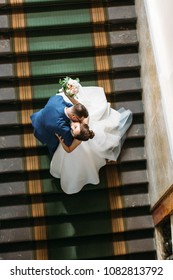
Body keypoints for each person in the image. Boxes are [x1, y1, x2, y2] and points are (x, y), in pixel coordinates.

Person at [50, 85, 133, 194]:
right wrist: (68, 96)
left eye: (73, 129)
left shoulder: (78, 140)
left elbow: (69, 150)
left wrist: (61, 141)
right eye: (74, 126)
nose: (71, 126)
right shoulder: (86, 118)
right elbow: (78, 105)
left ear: (77, 137)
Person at [30, 92, 89, 156]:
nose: (79, 121)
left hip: (38, 116)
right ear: (74, 117)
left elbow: (70, 107)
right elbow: (69, 144)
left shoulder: (57, 98)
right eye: (79, 119)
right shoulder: (61, 127)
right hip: (43, 131)